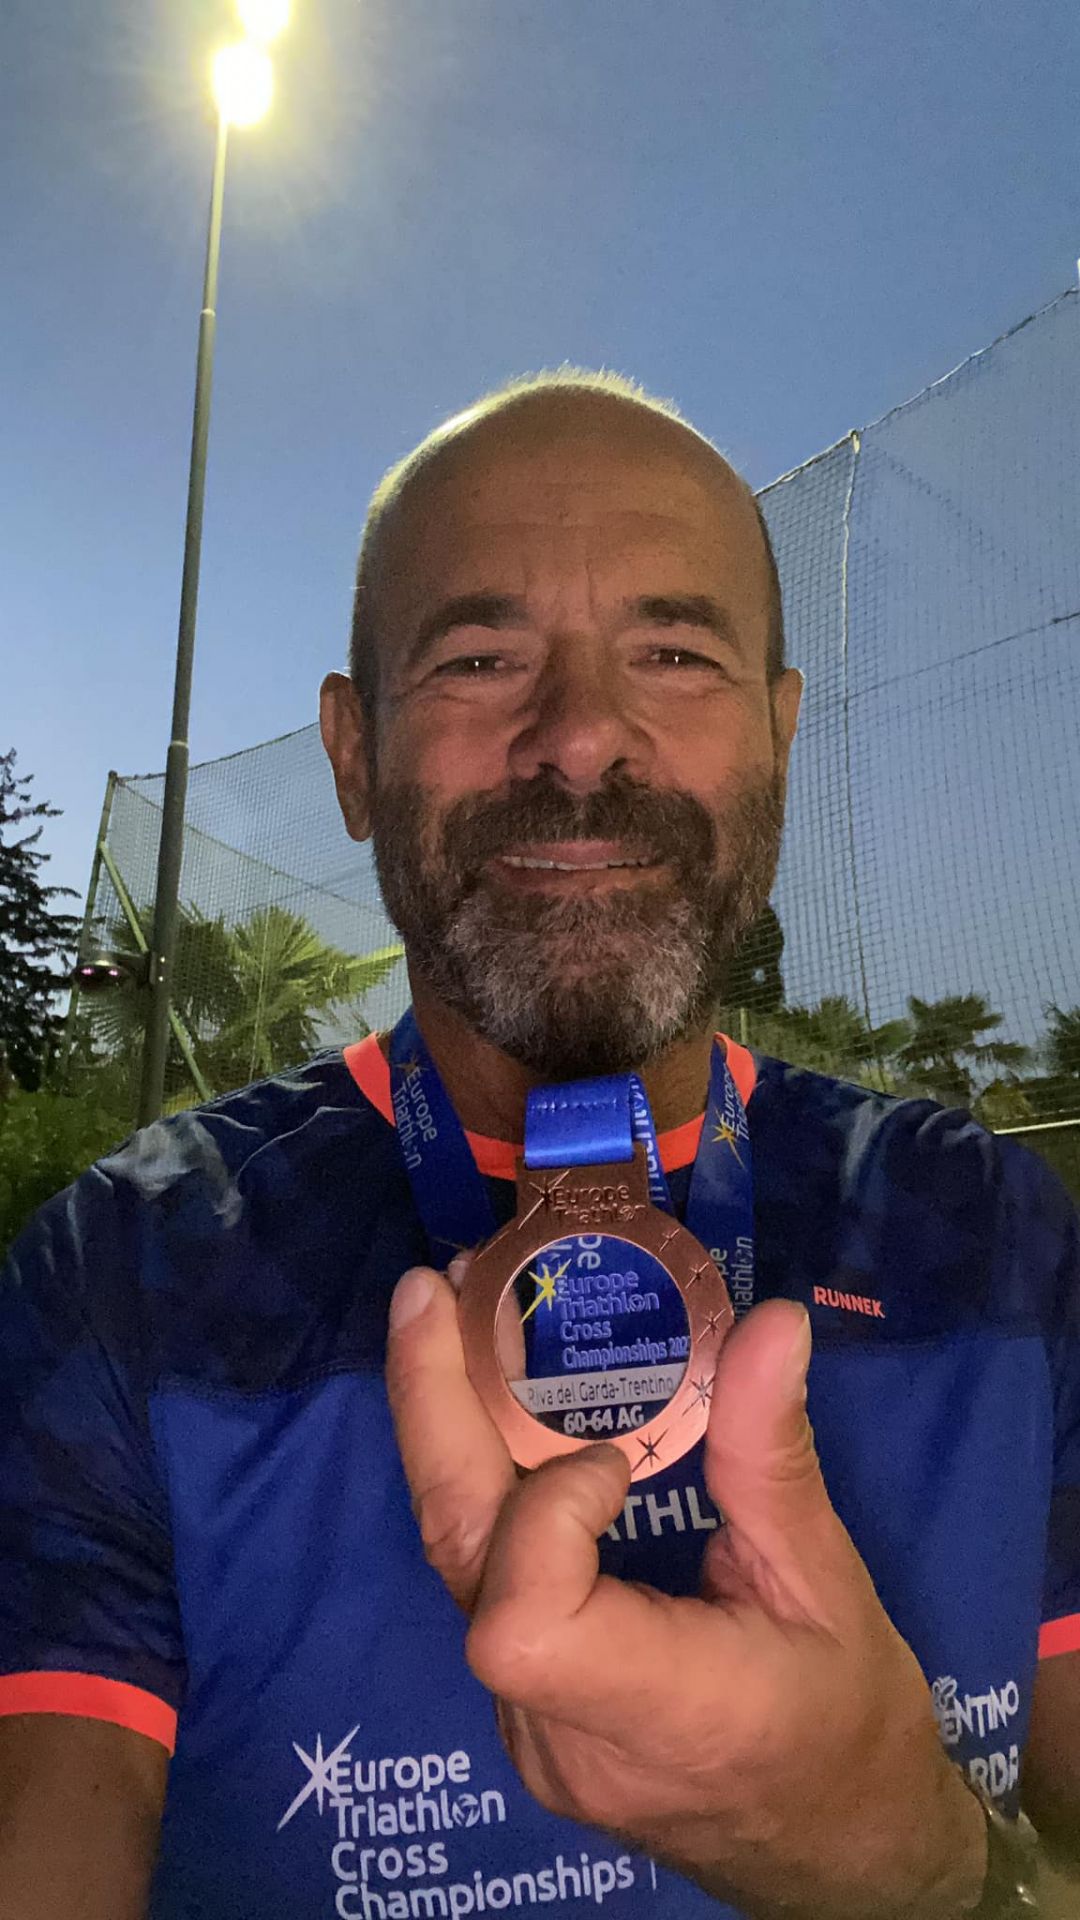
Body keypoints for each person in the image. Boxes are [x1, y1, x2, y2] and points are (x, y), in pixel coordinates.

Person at [1, 372, 1078, 1920]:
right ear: (353, 754)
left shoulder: (993, 1237)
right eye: (480, 659)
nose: (579, 739)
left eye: (675, 652)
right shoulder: (128, 1277)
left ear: (778, 737)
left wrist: (917, 1867)